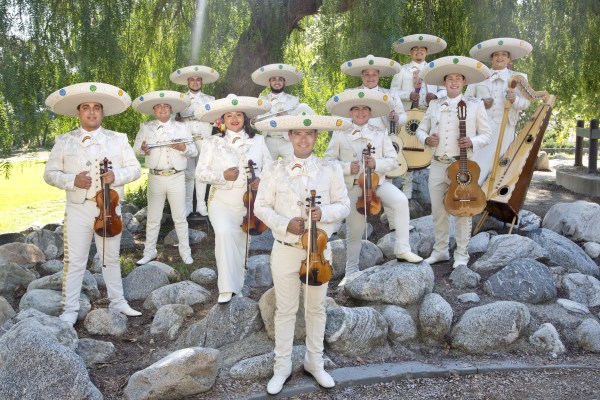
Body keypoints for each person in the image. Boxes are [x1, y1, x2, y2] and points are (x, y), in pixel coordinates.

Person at [254, 110, 351, 395]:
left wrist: (324, 212)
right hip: (285, 249)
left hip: (319, 252)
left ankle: (314, 362)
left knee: (316, 308)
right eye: (298, 133)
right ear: (290, 137)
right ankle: (281, 367)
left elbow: (344, 204)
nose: (304, 138)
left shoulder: (330, 169)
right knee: (285, 310)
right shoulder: (274, 169)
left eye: (309, 134)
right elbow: (261, 206)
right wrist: (285, 224)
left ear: (316, 137)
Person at [44, 82, 142, 325]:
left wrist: (117, 176)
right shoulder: (64, 141)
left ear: (102, 112)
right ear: (79, 112)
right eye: (86, 107)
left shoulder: (118, 139)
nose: (91, 111)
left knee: (110, 257)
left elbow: (136, 169)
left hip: (110, 209)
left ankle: (118, 302)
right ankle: (69, 309)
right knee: (75, 261)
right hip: (78, 207)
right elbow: (49, 173)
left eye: (96, 107)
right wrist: (72, 180)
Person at [325, 89, 423, 285]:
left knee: (401, 200)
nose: (360, 113)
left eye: (365, 109)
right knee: (355, 227)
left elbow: (393, 161)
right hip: (354, 186)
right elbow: (327, 161)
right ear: (350, 112)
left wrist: (376, 164)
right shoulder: (340, 134)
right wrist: (346, 167)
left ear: (370, 113)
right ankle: (351, 271)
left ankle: (402, 249)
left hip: (378, 183)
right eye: (356, 109)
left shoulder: (380, 133)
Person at [415, 56, 493, 268]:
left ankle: (461, 255)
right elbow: (420, 129)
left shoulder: (475, 105)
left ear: (464, 82)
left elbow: (487, 134)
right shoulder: (434, 104)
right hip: (439, 164)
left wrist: (472, 141)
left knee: (463, 210)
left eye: (459, 78)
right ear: (444, 82)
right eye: (450, 78)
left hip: (463, 165)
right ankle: (440, 251)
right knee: (438, 211)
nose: (454, 82)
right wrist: (426, 139)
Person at [195, 94, 271, 304]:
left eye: (239, 114)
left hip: (249, 202)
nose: (234, 118)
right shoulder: (212, 142)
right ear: (223, 120)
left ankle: (238, 284)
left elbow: (271, 168)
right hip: (221, 199)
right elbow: (200, 173)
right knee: (224, 233)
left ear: (245, 118)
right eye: (229, 115)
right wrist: (222, 176)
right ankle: (226, 288)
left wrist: (261, 179)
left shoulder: (258, 141)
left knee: (240, 243)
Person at [132, 90, 197, 265]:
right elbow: (135, 149)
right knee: (153, 217)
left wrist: (183, 148)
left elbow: (194, 151)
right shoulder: (146, 127)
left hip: (176, 176)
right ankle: (149, 251)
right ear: (154, 110)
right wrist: (142, 149)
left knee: (180, 217)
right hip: (155, 177)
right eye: (159, 106)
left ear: (171, 109)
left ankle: (185, 251)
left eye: (166, 106)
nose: (162, 109)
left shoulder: (181, 127)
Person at [465, 38, 532, 185]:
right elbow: (466, 101)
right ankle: (473, 192)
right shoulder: (479, 76)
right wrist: (481, 103)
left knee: (501, 160)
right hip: (482, 127)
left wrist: (515, 100)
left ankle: (492, 196)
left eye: (503, 54)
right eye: (496, 55)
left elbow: (526, 104)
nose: (499, 57)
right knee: (478, 159)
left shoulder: (519, 78)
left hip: (505, 127)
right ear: (491, 58)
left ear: (509, 58)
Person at [390, 33, 448, 200]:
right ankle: (406, 195)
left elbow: (445, 90)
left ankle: (436, 192)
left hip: (429, 116)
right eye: (415, 49)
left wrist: (436, 97)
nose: (419, 52)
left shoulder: (434, 69)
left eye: (422, 49)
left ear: (427, 52)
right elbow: (393, 93)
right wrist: (408, 95)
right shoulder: (402, 71)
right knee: (406, 151)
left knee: (434, 147)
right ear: (410, 53)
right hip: (408, 118)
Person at [170, 65, 220, 216]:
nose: (195, 82)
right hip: (187, 141)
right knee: (189, 173)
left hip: (204, 139)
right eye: (192, 80)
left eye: (198, 80)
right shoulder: (180, 100)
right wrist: (177, 119)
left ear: (201, 82)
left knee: (202, 172)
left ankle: (201, 205)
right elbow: (170, 120)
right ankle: (187, 205)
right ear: (187, 82)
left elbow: (216, 120)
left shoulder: (210, 100)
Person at [251, 63, 302, 160]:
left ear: (284, 82)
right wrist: (253, 122)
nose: (277, 82)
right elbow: (254, 122)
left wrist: (287, 116)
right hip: (268, 140)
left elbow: (300, 120)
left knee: (293, 167)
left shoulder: (294, 100)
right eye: (274, 79)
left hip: (288, 141)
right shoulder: (261, 100)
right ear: (269, 82)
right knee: (267, 170)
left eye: (280, 79)